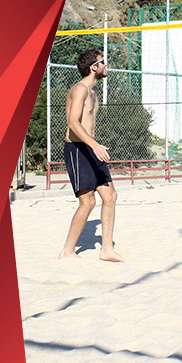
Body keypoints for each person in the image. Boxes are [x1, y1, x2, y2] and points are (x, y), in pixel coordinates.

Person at [59, 49, 124, 262]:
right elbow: (72, 123)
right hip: (78, 150)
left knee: (110, 196)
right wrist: (94, 144)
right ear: (93, 67)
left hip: (92, 148)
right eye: (103, 62)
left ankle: (106, 249)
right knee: (87, 202)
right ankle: (67, 251)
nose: (107, 65)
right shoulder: (79, 90)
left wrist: (95, 145)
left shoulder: (94, 93)